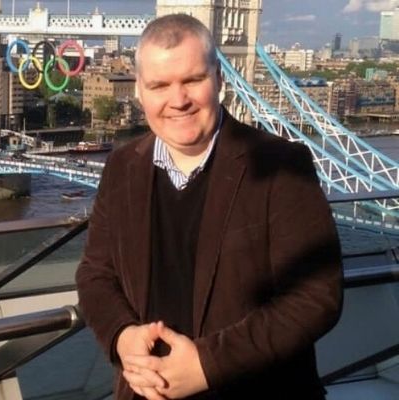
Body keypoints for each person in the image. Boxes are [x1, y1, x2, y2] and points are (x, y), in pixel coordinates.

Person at [75, 13, 343, 400]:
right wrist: (122, 336)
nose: (178, 100)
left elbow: (317, 295)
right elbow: (95, 274)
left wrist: (207, 365)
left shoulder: (281, 165)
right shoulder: (122, 167)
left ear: (218, 79)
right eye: (159, 85)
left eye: (192, 80)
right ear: (139, 91)